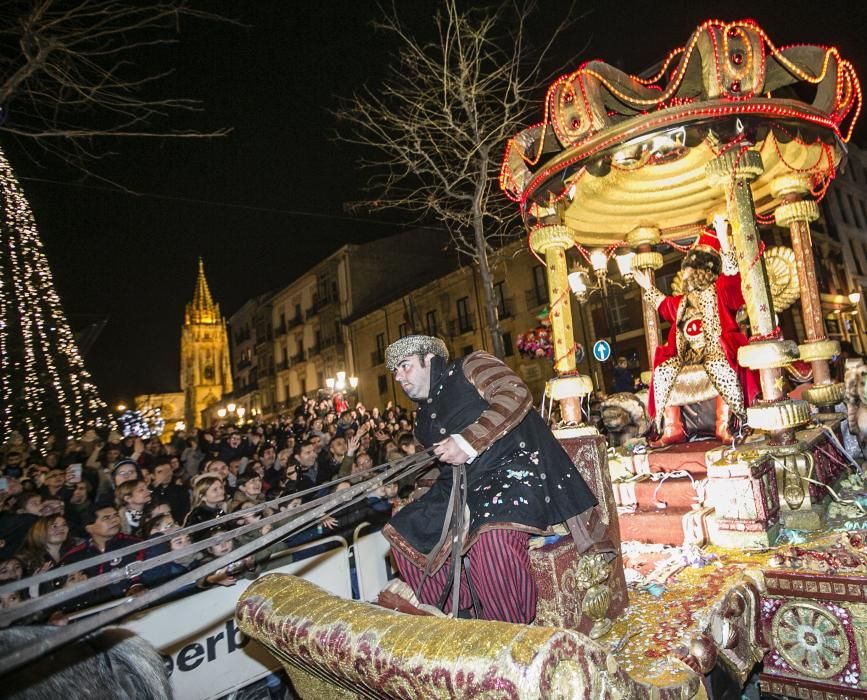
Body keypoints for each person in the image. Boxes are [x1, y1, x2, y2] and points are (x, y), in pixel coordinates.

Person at [382, 335, 601, 623]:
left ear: (429, 359)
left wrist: (467, 441)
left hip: (512, 468)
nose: (399, 377)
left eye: (405, 366)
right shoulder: (421, 420)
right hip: (459, 488)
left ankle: (509, 632)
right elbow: (436, 469)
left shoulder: (471, 365)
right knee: (403, 529)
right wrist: (413, 489)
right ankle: (457, 614)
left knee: (492, 535)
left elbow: (514, 393)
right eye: (395, 371)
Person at [633, 215, 760, 443]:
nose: (689, 274)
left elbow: (732, 279)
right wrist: (647, 287)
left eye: (693, 268)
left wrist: (723, 241)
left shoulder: (720, 290)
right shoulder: (682, 300)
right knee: (663, 370)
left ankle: (725, 426)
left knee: (719, 365)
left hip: (715, 351)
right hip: (688, 356)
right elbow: (665, 306)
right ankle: (672, 428)